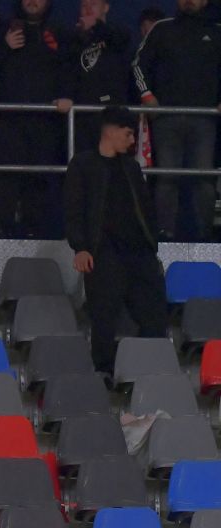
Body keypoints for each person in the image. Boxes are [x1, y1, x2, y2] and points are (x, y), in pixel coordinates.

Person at [65, 106, 167, 376]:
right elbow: (74, 210)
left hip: (138, 252)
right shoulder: (83, 165)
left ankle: (153, 370)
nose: (132, 140)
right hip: (104, 251)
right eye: (129, 133)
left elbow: (145, 210)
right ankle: (105, 372)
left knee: (154, 313)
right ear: (111, 131)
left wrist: (151, 245)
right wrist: (81, 247)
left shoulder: (131, 168)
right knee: (104, 314)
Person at [0, 0, 75, 239]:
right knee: (6, 177)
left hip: (45, 120)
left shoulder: (59, 32)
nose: (32, 2)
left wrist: (66, 96)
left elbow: (69, 68)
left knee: (40, 177)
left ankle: (35, 231)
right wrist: (4, 47)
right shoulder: (0, 31)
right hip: (6, 120)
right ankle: (5, 229)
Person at [133, 0, 221, 240]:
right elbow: (138, 65)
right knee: (166, 178)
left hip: (204, 120)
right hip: (166, 119)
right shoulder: (162, 28)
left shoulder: (216, 32)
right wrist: (147, 95)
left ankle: (204, 238)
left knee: (204, 180)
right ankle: (165, 236)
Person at [72, 0, 132, 151]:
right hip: (83, 115)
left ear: (106, 7)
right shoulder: (73, 38)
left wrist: (96, 26)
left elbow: (119, 39)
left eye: (93, 4)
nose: (88, 9)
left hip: (113, 114)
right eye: (84, 6)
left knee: (114, 168)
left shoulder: (118, 32)